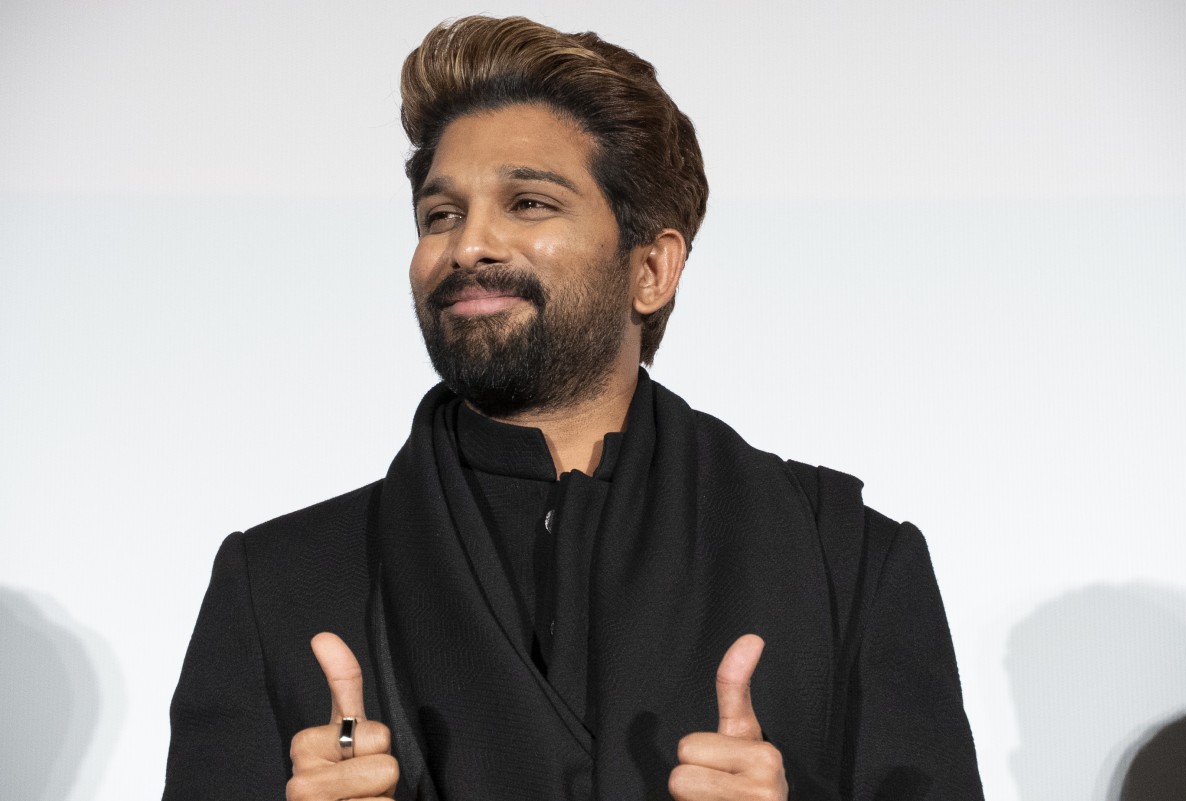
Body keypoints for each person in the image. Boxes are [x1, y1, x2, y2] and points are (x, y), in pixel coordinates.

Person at [162, 15, 984, 801]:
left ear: (651, 270)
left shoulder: (848, 561)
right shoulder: (279, 586)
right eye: (441, 215)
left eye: (528, 202)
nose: (468, 244)